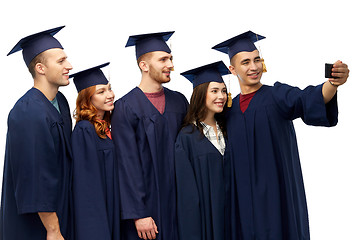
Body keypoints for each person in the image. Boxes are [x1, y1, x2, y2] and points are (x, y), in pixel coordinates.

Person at [212, 31, 350, 240]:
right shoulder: (228, 110)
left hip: (276, 196)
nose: (254, 67)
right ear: (232, 69)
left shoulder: (276, 95)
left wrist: (333, 83)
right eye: (246, 62)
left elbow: (307, 98)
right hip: (241, 200)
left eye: (257, 59)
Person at [111, 31, 188, 240]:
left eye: (171, 58)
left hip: (180, 204)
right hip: (147, 210)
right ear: (144, 65)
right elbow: (126, 165)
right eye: (163, 59)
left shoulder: (179, 102)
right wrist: (139, 213)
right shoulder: (125, 107)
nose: (170, 64)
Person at [0, 26, 73, 240]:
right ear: (40, 68)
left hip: (60, 211)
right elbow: (34, 176)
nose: (69, 66)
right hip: (37, 225)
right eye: (60, 61)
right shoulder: (28, 111)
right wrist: (53, 229)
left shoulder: (60, 101)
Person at [175, 61, 232, 240]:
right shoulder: (187, 137)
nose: (221, 96)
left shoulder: (228, 129)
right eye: (214, 91)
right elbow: (187, 195)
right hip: (207, 221)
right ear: (200, 94)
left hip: (233, 215)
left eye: (223, 91)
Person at [70, 62, 121, 240]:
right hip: (99, 216)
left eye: (109, 89)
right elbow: (86, 189)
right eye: (101, 92)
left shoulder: (108, 127)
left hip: (114, 210)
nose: (110, 95)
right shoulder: (84, 130)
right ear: (87, 100)